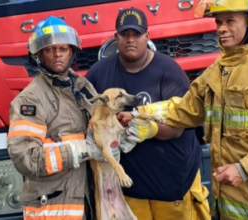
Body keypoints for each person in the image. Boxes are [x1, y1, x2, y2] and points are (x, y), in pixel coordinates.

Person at [122, 1, 248, 219]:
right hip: (229, 206)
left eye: (230, 21)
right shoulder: (217, 71)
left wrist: (244, 169)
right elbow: (184, 108)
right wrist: (138, 113)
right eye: (218, 22)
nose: (221, 28)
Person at [85, 7, 211, 220]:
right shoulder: (99, 73)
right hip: (128, 193)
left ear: (147, 36)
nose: (130, 40)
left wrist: (149, 128)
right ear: (116, 37)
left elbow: (179, 126)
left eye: (136, 34)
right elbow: (85, 117)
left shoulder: (168, 71)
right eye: (124, 34)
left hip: (173, 188)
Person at [7, 16, 118, 220]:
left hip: (90, 201)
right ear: (38, 55)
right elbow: (26, 158)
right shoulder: (30, 100)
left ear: (72, 52)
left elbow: (101, 128)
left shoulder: (83, 88)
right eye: (50, 49)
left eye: (63, 49)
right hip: (54, 208)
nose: (58, 54)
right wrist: (80, 151)